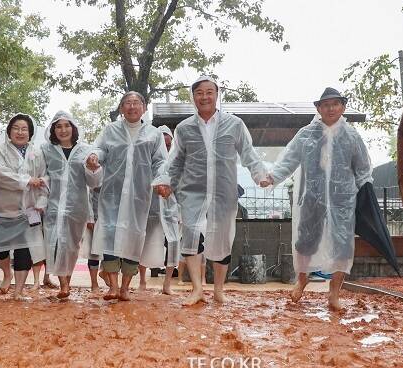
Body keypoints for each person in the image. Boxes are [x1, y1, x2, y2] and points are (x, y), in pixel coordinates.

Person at [260, 87, 373, 310]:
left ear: (343, 106)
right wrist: (272, 177)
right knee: (305, 242)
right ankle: (301, 281)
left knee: (342, 245)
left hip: (342, 201)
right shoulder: (306, 134)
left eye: (335, 104)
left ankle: (334, 295)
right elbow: (289, 159)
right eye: (326, 105)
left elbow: (363, 169)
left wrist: (366, 192)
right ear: (319, 108)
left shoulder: (351, 136)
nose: (330, 108)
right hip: (311, 198)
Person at [161, 76, 267, 305]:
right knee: (190, 232)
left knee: (223, 238)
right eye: (199, 92)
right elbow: (174, 161)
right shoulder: (184, 128)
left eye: (209, 92)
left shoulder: (234, 124)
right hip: (192, 190)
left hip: (223, 190)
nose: (204, 96)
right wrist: (165, 181)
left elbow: (248, 153)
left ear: (217, 95)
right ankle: (197, 289)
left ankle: (219, 289)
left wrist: (261, 176)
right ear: (193, 97)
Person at [85, 91, 170, 301]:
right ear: (121, 108)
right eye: (127, 103)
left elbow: (160, 161)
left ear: (144, 107)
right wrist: (94, 157)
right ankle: (113, 286)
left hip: (140, 197)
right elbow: (99, 149)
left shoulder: (153, 134)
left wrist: (162, 180)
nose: (132, 107)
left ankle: (125, 287)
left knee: (134, 238)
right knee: (110, 236)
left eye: (136, 103)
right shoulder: (111, 130)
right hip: (112, 194)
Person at [42, 110, 103, 298]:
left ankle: (67, 278)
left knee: (71, 246)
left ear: (73, 128)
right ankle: (64, 285)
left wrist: (94, 169)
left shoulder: (85, 150)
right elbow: (41, 174)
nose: (63, 130)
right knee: (55, 243)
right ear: (53, 130)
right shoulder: (46, 150)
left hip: (78, 207)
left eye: (67, 125)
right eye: (58, 126)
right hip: (53, 206)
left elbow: (93, 183)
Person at [0, 113, 48, 301]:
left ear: (30, 133)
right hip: (5, 208)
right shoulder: (0, 149)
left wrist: (41, 201)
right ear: (9, 131)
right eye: (16, 128)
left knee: (25, 251)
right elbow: (0, 174)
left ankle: (19, 291)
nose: (20, 132)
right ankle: (7, 273)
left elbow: (45, 177)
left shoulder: (37, 153)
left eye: (24, 129)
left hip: (29, 210)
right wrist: (28, 180)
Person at [139, 124, 180, 295]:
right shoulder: (148, 162)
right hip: (150, 210)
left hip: (172, 211)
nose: (165, 147)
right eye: (161, 143)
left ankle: (167, 284)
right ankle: (142, 281)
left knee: (172, 244)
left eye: (168, 144)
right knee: (144, 244)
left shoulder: (177, 162)